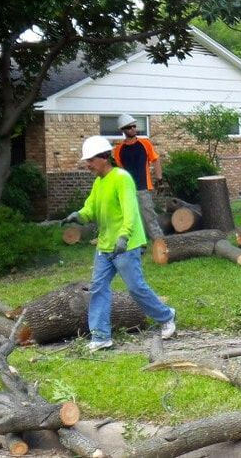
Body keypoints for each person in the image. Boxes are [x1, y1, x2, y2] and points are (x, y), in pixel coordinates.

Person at [62, 136, 175, 351]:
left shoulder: (122, 178)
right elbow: (91, 209)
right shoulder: (99, 182)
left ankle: (166, 316)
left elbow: (130, 211)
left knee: (135, 288)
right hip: (105, 246)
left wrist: (124, 236)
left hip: (126, 244)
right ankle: (101, 336)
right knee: (98, 288)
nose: (87, 165)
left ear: (104, 158)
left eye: (91, 160)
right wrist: (78, 215)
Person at [112, 113, 163, 238]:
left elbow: (156, 160)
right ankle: (139, 243)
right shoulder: (118, 150)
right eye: (130, 127)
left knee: (149, 216)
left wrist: (159, 179)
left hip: (143, 187)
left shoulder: (145, 144)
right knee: (132, 218)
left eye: (134, 126)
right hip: (128, 190)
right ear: (123, 130)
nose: (134, 129)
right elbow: (121, 170)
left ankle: (160, 242)